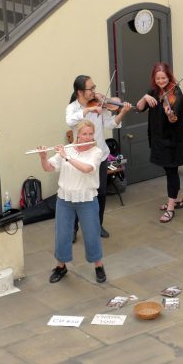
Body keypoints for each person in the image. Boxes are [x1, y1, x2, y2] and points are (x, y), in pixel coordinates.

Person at [37, 119, 107, 284]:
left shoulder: (96, 152)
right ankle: (61, 266)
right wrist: (43, 158)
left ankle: (98, 266)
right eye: (85, 134)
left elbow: (86, 169)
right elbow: (48, 168)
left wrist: (66, 157)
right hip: (65, 199)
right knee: (62, 234)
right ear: (78, 135)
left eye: (91, 134)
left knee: (91, 235)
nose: (88, 136)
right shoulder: (67, 150)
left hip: (87, 199)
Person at [66, 75, 132, 238]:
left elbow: (109, 124)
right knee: (77, 194)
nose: (95, 92)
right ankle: (73, 229)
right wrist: (88, 110)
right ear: (80, 92)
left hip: (100, 155)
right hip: (81, 158)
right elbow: (69, 121)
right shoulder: (73, 108)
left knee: (100, 193)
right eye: (91, 89)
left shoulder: (100, 106)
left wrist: (122, 112)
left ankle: (98, 225)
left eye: (95, 88)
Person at [135, 62, 183, 223]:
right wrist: (145, 97)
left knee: (172, 171)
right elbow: (138, 108)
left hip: (173, 140)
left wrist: (169, 112)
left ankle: (171, 208)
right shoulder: (153, 91)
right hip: (159, 138)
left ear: (168, 76)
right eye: (158, 78)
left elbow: (174, 117)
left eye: (163, 78)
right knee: (168, 169)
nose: (161, 81)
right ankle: (178, 199)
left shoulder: (176, 92)